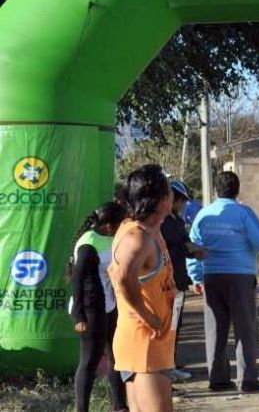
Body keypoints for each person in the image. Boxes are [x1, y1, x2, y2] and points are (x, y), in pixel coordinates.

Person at [189, 171, 259, 392]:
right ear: (237, 190)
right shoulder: (244, 213)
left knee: (215, 329)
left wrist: (196, 277)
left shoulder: (203, 215)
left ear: (216, 190)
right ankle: (247, 379)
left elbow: (193, 246)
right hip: (240, 278)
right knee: (245, 328)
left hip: (211, 277)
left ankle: (217, 379)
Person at [108, 164, 177, 412]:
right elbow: (123, 278)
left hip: (151, 339)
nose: (173, 196)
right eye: (169, 191)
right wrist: (150, 318)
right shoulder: (137, 237)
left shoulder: (149, 231)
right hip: (144, 338)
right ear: (159, 201)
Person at [69, 201, 128, 412]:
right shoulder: (88, 244)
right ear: (109, 226)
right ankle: (81, 408)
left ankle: (120, 405)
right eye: (120, 223)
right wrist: (79, 317)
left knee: (117, 356)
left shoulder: (110, 238)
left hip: (109, 305)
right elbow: (77, 281)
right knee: (90, 360)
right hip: (89, 308)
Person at [160, 180, 206, 381]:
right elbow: (167, 250)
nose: (184, 205)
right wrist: (188, 249)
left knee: (175, 324)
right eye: (182, 201)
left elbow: (183, 244)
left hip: (179, 281)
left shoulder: (177, 222)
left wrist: (194, 251)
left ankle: (171, 362)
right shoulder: (162, 224)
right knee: (168, 325)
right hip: (166, 283)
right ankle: (165, 366)